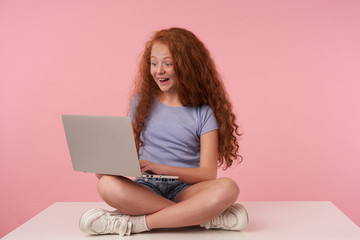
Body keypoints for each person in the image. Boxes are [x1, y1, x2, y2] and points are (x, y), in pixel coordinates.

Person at [79, 27, 248, 236]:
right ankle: (199, 217)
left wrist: (159, 168)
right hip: (146, 188)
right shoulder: (140, 103)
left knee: (228, 188)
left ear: (187, 66)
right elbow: (127, 157)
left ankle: (135, 223)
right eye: (154, 62)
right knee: (107, 185)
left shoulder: (204, 112)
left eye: (168, 64)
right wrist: (105, 166)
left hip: (186, 190)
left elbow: (208, 173)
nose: (159, 70)